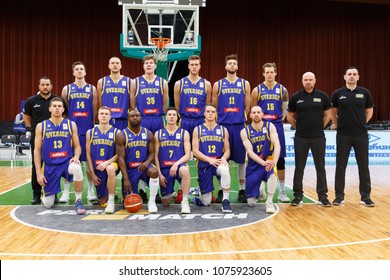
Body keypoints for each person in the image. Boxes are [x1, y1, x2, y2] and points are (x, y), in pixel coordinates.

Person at [331, 66, 375, 207]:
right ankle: (339, 196)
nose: (351, 76)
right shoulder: (338, 93)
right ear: (344, 77)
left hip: (360, 134)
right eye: (349, 74)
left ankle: (365, 197)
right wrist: (337, 124)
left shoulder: (365, 93)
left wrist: (361, 123)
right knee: (340, 166)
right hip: (343, 134)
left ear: (358, 77)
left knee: (363, 166)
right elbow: (333, 112)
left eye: (354, 74)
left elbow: (369, 111)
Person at [34, 97, 86, 214]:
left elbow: (77, 146)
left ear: (63, 109)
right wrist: (38, 173)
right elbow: (37, 151)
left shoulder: (71, 125)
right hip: (50, 166)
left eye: (59, 106)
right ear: (50, 109)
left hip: (66, 162)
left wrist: (76, 157)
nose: (57, 108)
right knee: (48, 204)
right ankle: (50, 192)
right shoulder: (41, 126)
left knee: (77, 168)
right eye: (54, 106)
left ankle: (78, 200)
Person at [286, 72, 332, 207]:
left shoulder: (322, 96)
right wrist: (298, 127)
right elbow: (289, 116)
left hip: (318, 137)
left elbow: (328, 115)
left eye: (310, 80)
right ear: (302, 81)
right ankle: (297, 195)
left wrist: (320, 127)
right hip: (301, 137)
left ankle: (323, 196)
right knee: (299, 167)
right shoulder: (296, 97)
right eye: (306, 80)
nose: (308, 82)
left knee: (320, 167)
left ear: (315, 81)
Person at [211, 54, 251, 203]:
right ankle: (222, 190)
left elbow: (248, 106)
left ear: (237, 66)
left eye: (234, 63)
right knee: (222, 160)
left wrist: (242, 118)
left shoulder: (244, 84)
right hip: (223, 126)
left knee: (241, 162)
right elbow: (214, 106)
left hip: (239, 126)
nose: (232, 65)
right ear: (226, 67)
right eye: (230, 63)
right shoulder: (218, 84)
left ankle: (242, 189)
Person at [173, 55, 211, 203]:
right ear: (188, 66)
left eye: (197, 64)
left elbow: (208, 106)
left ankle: (205, 190)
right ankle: (181, 190)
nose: (194, 67)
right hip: (186, 121)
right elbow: (177, 107)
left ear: (200, 66)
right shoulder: (179, 84)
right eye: (192, 64)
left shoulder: (206, 84)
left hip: (200, 122)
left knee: (202, 158)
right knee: (183, 157)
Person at [251, 62, 290, 203]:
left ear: (275, 73)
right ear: (263, 74)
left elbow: (285, 108)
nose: (269, 74)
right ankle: (259, 187)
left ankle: (282, 191)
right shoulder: (257, 90)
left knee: (280, 159)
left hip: (277, 125)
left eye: (271, 72)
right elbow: (253, 108)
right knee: (260, 156)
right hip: (262, 126)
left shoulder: (282, 90)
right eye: (267, 72)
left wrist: (280, 118)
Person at [23, 76, 65, 205]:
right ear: (39, 86)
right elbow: (26, 117)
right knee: (37, 165)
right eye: (43, 84)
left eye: (47, 84)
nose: (45, 87)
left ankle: (54, 193)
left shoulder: (57, 100)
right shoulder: (31, 101)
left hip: (55, 138)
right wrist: (36, 130)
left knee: (54, 165)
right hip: (38, 137)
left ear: (51, 86)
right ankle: (36, 194)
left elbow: (64, 116)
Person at [61, 61, 98, 202]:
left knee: (89, 162)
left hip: (87, 129)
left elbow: (94, 109)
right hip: (72, 130)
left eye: (82, 69)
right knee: (70, 161)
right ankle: (66, 192)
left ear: (85, 72)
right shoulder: (67, 89)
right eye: (77, 69)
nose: (79, 71)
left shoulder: (92, 89)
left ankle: (90, 190)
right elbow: (65, 109)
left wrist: (91, 123)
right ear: (73, 72)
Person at [116, 109, 160, 213]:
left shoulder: (148, 133)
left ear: (141, 118)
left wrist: (147, 162)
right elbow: (120, 158)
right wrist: (125, 178)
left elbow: (152, 153)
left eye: (137, 116)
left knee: (154, 172)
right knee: (129, 203)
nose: (135, 118)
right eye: (132, 116)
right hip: (130, 169)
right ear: (128, 119)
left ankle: (152, 202)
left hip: (144, 167)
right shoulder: (122, 135)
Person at [240, 106, 281, 214]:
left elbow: (277, 144)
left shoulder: (269, 126)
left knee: (272, 175)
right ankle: (260, 188)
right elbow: (249, 151)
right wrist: (263, 162)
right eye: (254, 112)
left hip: (268, 162)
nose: (256, 114)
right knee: (251, 202)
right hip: (254, 166)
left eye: (259, 112)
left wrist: (274, 162)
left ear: (262, 114)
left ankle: (269, 201)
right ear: (250, 115)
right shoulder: (245, 131)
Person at [192, 104, 232, 212]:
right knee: (206, 202)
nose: (210, 114)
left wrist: (223, 158)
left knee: (224, 168)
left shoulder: (223, 130)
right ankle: (198, 194)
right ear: (204, 114)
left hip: (218, 161)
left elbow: (227, 150)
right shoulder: (198, 129)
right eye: (208, 111)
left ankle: (225, 201)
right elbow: (195, 151)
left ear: (216, 114)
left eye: (213, 112)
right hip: (204, 163)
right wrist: (209, 159)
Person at [154, 107, 191, 214]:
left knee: (185, 170)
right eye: (169, 115)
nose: (171, 117)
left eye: (174, 115)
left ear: (177, 117)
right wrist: (160, 174)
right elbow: (156, 156)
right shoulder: (159, 134)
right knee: (165, 202)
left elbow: (188, 154)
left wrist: (176, 164)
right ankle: (172, 192)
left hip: (178, 166)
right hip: (165, 169)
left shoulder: (184, 133)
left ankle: (185, 202)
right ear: (165, 117)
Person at [86, 106, 119, 214]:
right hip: (97, 168)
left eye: (106, 114)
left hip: (111, 163)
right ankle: (110, 193)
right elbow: (88, 154)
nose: (104, 115)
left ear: (110, 117)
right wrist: (92, 174)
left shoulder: (117, 132)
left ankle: (111, 201)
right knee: (101, 201)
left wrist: (107, 162)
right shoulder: (90, 132)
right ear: (98, 116)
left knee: (110, 169)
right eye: (101, 114)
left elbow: (119, 154)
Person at [130, 54, 168, 134]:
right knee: (143, 144)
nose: (149, 65)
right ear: (143, 66)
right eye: (146, 63)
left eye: (151, 63)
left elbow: (165, 105)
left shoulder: (163, 82)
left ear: (155, 66)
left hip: (157, 118)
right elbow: (132, 105)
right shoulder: (135, 82)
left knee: (158, 143)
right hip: (143, 118)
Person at [97, 57, 131, 130]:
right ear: (109, 66)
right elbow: (100, 105)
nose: (115, 65)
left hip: (123, 119)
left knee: (122, 141)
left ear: (121, 66)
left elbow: (131, 104)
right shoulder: (102, 82)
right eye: (112, 63)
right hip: (107, 120)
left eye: (117, 63)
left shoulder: (129, 81)